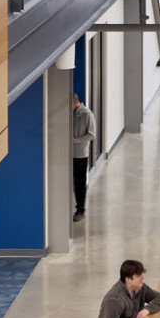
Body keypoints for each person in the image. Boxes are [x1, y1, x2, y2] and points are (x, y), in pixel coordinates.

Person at [71, 94, 96, 223]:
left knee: (80, 184)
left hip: (80, 155)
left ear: (76, 102)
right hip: (69, 155)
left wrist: (75, 141)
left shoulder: (87, 114)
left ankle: (80, 210)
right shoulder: (71, 113)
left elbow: (91, 134)